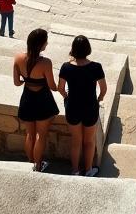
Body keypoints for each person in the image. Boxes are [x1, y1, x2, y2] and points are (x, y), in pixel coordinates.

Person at [58, 35, 107, 176]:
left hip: (73, 106)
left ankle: (75, 170)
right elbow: (103, 88)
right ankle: (89, 170)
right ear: (88, 49)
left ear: (73, 49)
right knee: (89, 141)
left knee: (76, 142)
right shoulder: (96, 67)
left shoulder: (66, 67)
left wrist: (66, 97)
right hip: (90, 107)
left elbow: (60, 88)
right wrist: (99, 98)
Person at [14, 28, 59, 172]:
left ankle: (31, 163)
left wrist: (26, 82)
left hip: (27, 98)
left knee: (30, 134)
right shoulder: (46, 63)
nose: (47, 43)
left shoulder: (18, 58)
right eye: (46, 41)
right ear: (41, 44)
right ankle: (38, 165)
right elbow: (52, 86)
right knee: (41, 135)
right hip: (42, 100)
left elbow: (16, 82)